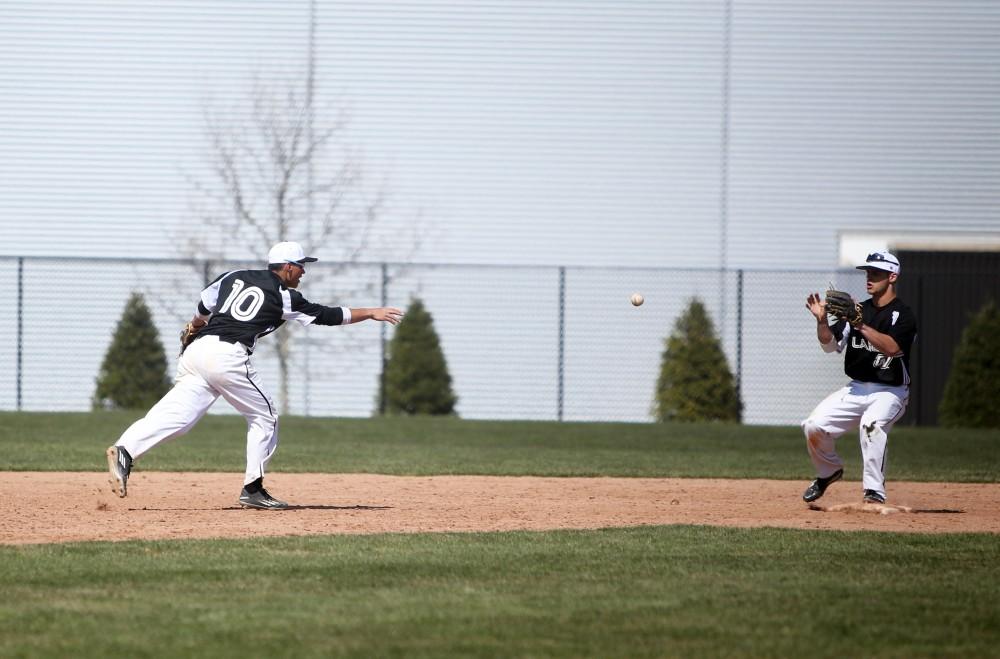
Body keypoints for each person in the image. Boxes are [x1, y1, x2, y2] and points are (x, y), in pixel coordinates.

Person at [106, 241, 403, 510]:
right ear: (287, 268)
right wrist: (371, 312)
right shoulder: (285, 295)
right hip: (227, 357)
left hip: (197, 351)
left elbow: (204, 305)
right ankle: (253, 488)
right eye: (301, 266)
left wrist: (195, 324)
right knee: (266, 417)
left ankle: (126, 450)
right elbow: (327, 316)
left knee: (178, 418)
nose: (303, 273)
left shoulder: (234, 275)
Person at [800, 251, 917, 504]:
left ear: (892, 277)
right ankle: (828, 472)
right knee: (813, 426)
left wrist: (860, 324)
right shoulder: (858, 310)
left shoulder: (903, 315)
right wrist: (821, 321)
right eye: (868, 272)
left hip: (891, 391)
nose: (869, 277)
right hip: (856, 389)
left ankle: (874, 492)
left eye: (876, 273)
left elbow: (893, 348)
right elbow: (830, 345)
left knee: (871, 424)